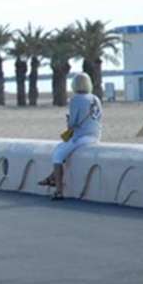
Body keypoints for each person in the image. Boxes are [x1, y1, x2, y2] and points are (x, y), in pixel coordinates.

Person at [38, 72, 102, 200]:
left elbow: (72, 124)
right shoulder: (96, 98)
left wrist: (68, 121)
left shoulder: (76, 99)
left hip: (82, 136)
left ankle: (59, 191)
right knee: (61, 148)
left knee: (57, 155)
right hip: (95, 135)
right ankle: (52, 177)